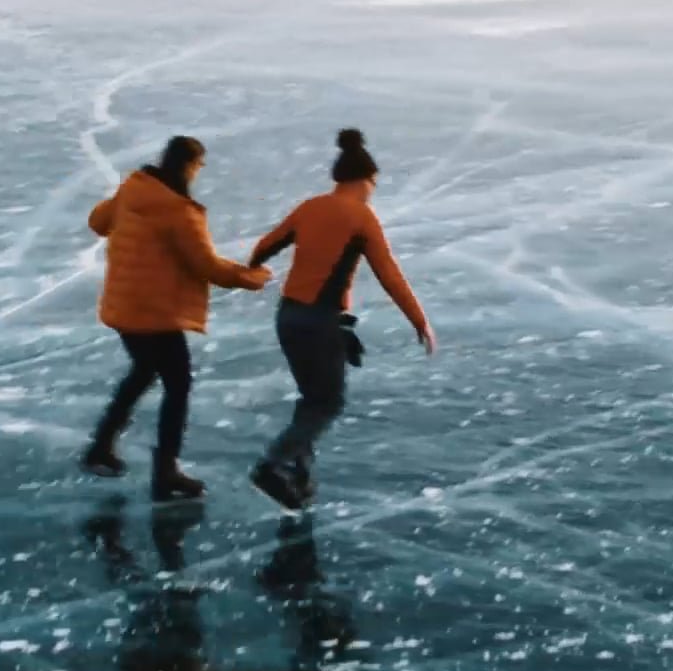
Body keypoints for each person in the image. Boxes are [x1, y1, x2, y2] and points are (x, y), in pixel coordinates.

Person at [242, 128, 434, 509]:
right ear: (367, 181)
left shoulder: (309, 207)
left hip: (288, 318)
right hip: (319, 321)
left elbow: (265, 246)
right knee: (326, 404)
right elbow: (389, 274)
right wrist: (419, 321)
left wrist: (250, 270)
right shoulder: (362, 217)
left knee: (311, 398)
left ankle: (300, 474)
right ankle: (273, 464)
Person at [82, 134, 268, 499]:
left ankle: (101, 447)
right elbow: (207, 265)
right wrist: (251, 277)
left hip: (123, 307)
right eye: (198, 167)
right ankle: (165, 470)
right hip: (155, 313)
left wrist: (123, 205)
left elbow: (97, 222)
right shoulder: (179, 211)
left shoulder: (134, 189)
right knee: (177, 385)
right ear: (189, 166)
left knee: (143, 371)